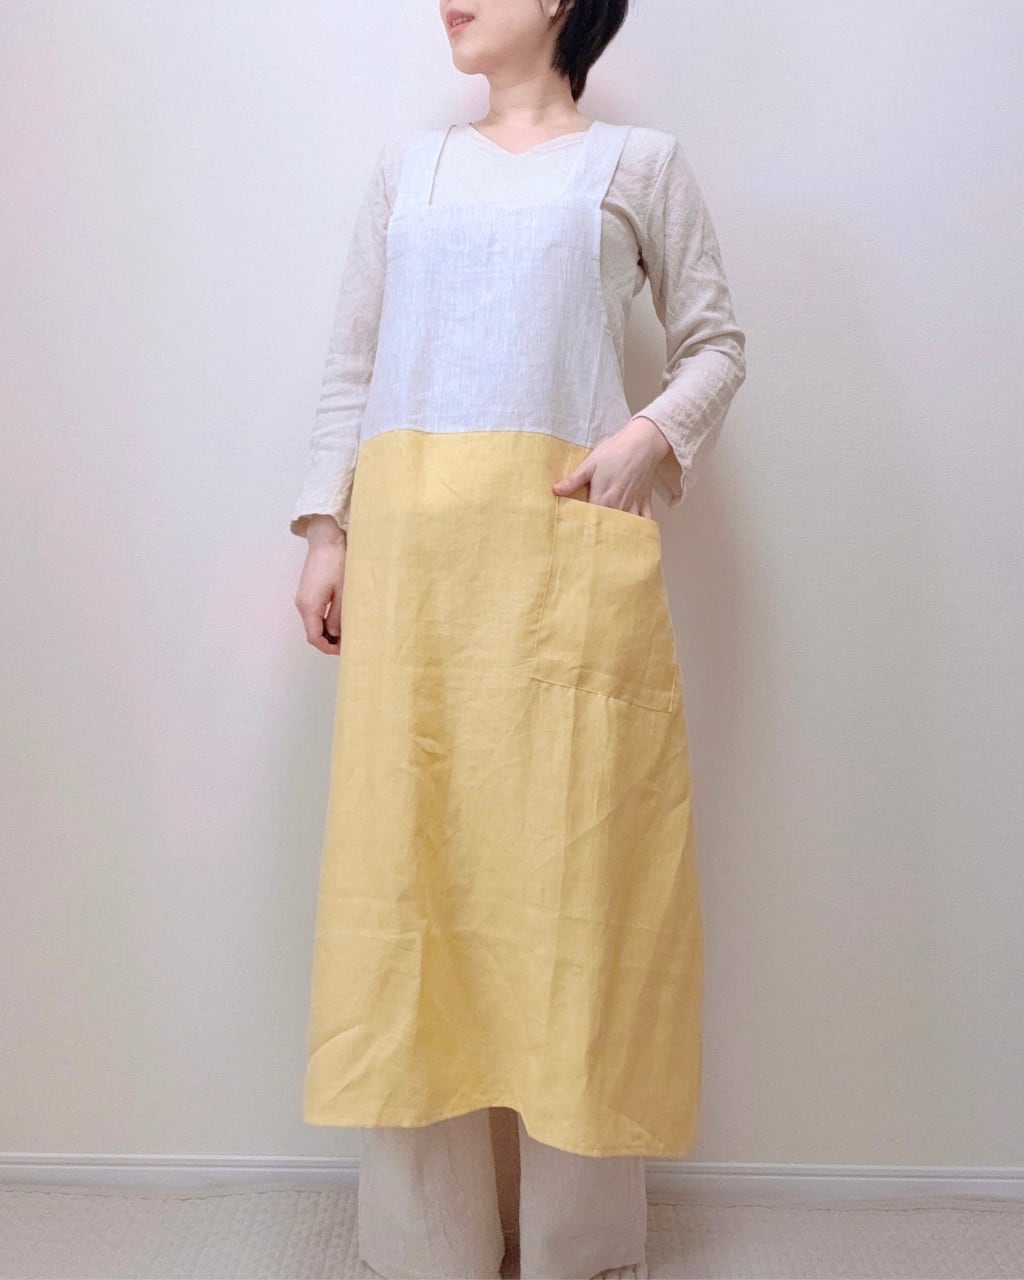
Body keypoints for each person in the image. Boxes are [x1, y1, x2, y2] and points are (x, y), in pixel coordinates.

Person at [290, 1, 747, 1276]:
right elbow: (351, 364)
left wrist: (647, 439)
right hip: (418, 578)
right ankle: (426, 1241)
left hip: (560, 567)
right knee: (413, 884)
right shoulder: (409, 171)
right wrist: (326, 530)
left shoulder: (638, 165)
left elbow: (715, 345)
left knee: (572, 891)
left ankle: (574, 1245)